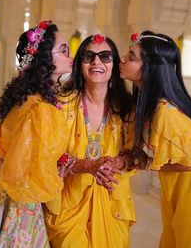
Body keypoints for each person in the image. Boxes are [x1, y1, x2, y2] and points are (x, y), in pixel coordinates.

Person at [0, 20, 73, 247]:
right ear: (44, 60)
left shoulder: (23, 95)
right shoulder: (40, 109)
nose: (70, 56)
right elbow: (39, 169)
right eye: (64, 50)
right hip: (15, 191)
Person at [119, 30, 191, 248]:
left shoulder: (166, 112)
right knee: (174, 238)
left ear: (150, 68)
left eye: (131, 56)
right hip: (180, 181)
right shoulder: (146, 102)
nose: (123, 58)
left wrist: (148, 165)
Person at [44, 34, 136, 248]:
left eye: (105, 56)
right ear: (80, 64)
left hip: (112, 202)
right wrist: (88, 166)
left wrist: (116, 163)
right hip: (68, 203)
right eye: (89, 56)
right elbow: (48, 156)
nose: (97, 62)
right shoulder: (60, 104)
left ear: (114, 64)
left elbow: (136, 154)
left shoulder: (127, 108)